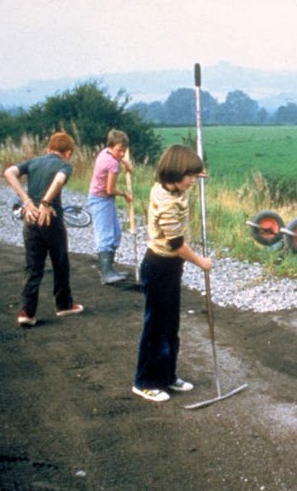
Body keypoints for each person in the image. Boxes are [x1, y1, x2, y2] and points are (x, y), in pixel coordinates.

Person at [132, 145, 212, 402]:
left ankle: (166, 376)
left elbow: (185, 181)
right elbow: (176, 244)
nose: (192, 181)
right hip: (158, 266)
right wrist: (201, 262)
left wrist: (197, 173)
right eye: (189, 176)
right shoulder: (166, 201)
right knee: (155, 326)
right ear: (177, 174)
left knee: (170, 325)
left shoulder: (173, 187)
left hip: (170, 267)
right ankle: (144, 381)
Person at [3, 131, 84, 326]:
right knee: (60, 262)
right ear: (68, 153)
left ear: (48, 148)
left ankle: (26, 312)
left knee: (33, 266)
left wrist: (27, 201)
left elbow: (9, 172)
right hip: (51, 218)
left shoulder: (33, 162)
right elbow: (58, 180)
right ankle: (64, 305)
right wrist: (46, 203)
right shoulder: (64, 165)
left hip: (30, 218)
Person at [87, 129, 133, 284]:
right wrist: (125, 194)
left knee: (116, 234)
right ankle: (106, 273)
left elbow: (115, 158)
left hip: (105, 200)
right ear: (111, 146)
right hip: (100, 200)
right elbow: (110, 189)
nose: (121, 154)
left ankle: (111, 269)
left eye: (124, 151)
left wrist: (125, 161)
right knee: (106, 236)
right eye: (119, 150)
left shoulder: (105, 153)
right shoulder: (112, 163)